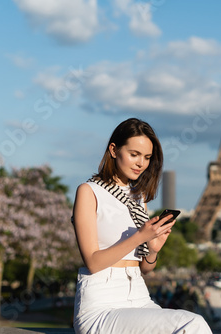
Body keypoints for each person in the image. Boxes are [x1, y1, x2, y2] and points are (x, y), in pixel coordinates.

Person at [71, 118, 212, 334]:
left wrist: (153, 249)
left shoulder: (139, 198)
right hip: (102, 306)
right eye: (134, 154)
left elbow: (145, 269)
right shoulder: (89, 192)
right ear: (114, 150)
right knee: (193, 324)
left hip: (139, 297)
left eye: (147, 157)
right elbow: (93, 262)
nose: (141, 163)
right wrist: (140, 236)